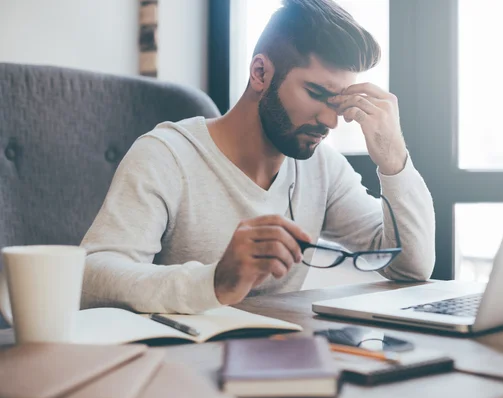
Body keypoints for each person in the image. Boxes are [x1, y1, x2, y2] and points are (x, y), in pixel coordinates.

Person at [80, 0, 435, 313]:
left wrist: (393, 156)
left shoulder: (322, 168)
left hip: (280, 360)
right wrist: (214, 281)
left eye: (338, 103)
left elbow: (410, 267)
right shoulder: (166, 155)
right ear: (261, 73)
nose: (329, 121)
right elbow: (90, 278)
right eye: (316, 93)